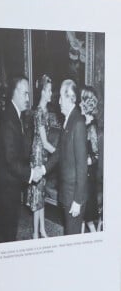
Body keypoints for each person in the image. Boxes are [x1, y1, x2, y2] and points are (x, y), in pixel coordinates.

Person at [0, 76, 43, 243]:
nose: (28, 99)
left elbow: (18, 149)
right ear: (14, 93)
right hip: (6, 188)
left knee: (6, 231)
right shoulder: (10, 120)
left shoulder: (16, 115)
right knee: (6, 233)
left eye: (29, 94)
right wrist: (30, 174)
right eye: (25, 94)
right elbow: (10, 160)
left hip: (10, 185)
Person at [50, 79, 87, 235]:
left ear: (70, 97)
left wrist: (78, 201)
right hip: (67, 193)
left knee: (72, 236)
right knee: (69, 234)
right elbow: (59, 152)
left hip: (74, 196)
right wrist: (43, 168)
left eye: (61, 98)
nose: (58, 101)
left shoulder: (77, 123)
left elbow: (82, 166)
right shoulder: (68, 120)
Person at [26, 74, 56, 239]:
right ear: (43, 92)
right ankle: (35, 233)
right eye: (50, 90)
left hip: (42, 155)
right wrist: (59, 153)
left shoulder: (45, 110)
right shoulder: (39, 112)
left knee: (41, 195)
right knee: (37, 195)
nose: (52, 93)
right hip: (38, 156)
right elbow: (44, 142)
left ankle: (41, 231)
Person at [79, 86, 101, 232]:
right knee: (82, 216)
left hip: (88, 177)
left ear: (87, 103)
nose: (79, 104)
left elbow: (96, 155)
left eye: (81, 100)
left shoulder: (91, 126)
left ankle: (96, 239)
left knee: (87, 218)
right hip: (83, 174)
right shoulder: (84, 123)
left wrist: (87, 161)